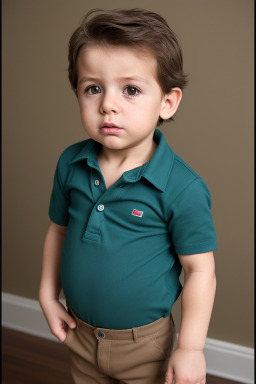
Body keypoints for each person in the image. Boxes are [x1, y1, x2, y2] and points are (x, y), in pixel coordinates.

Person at [39, 8, 217, 384]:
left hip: (145, 347)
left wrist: (190, 348)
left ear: (167, 103)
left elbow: (200, 270)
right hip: (81, 336)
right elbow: (58, 230)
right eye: (93, 88)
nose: (108, 104)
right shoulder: (70, 163)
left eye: (131, 90)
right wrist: (47, 296)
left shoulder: (182, 187)